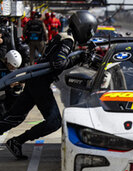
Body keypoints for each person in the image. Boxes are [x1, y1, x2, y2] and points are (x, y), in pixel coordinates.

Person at [0, 11, 97, 159]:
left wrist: (79, 55)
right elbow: (58, 63)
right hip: (40, 83)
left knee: (14, 117)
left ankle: (16, 142)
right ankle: (18, 141)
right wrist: (78, 59)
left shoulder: (65, 37)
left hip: (37, 81)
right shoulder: (68, 40)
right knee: (54, 122)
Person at [0, 50, 23, 116]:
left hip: (6, 94)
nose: (12, 69)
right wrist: (9, 86)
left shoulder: (11, 70)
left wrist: (18, 85)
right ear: (6, 60)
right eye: (11, 66)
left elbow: (14, 89)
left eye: (14, 68)